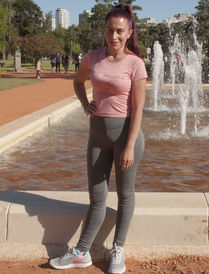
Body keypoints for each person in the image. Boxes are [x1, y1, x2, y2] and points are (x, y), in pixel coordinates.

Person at [49, 4, 147, 274]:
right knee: (97, 197)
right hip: (97, 136)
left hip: (126, 137)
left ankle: (118, 249)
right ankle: (81, 252)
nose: (113, 36)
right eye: (109, 30)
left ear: (129, 33)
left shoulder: (135, 63)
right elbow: (78, 81)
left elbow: (138, 108)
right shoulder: (93, 57)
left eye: (119, 31)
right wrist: (85, 104)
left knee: (125, 195)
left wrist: (128, 145)